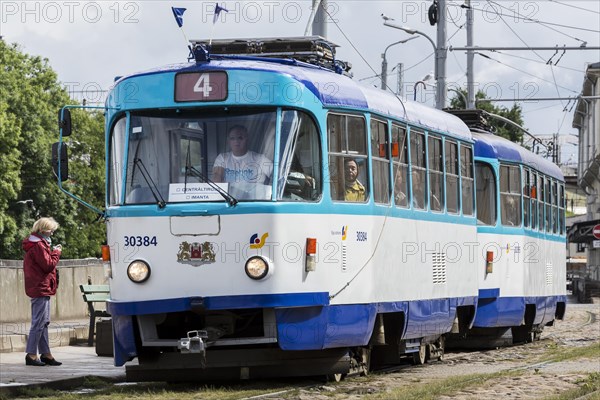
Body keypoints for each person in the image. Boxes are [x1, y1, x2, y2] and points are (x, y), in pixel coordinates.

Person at [22, 217, 63, 367]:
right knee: (38, 322)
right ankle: (31, 355)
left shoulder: (38, 244)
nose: (52, 233)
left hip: (42, 287)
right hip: (40, 287)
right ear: (42, 230)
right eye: (50, 230)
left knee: (44, 322)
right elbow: (48, 265)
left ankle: (46, 354)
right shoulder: (38, 245)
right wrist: (56, 252)